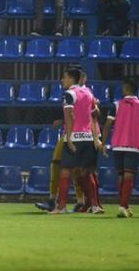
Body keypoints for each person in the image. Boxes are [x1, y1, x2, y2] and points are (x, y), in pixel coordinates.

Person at [49, 68, 103, 214]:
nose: (62, 80)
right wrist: (95, 137)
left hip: (74, 137)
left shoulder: (69, 94)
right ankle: (95, 205)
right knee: (87, 173)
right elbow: (94, 116)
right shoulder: (88, 93)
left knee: (65, 172)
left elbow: (70, 116)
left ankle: (61, 207)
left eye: (64, 77)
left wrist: (70, 137)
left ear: (72, 79)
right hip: (88, 137)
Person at [101, 78, 139, 218]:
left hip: (117, 145)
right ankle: (123, 205)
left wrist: (104, 144)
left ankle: (125, 205)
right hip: (133, 145)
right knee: (129, 175)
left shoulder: (116, 105)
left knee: (121, 175)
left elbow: (106, 126)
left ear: (127, 89)